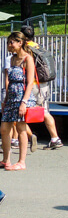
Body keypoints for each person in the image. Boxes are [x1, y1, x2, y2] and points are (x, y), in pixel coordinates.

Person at [20, 26, 63, 150]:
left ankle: (21, 138)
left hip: (32, 84)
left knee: (19, 111)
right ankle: (55, 138)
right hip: (43, 84)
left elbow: (26, 66)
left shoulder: (26, 49)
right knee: (44, 111)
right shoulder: (37, 46)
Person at [1, 31, 36, 171]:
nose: (9, 45)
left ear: (20, 43)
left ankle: (22, 161)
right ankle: (6, 160)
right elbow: (7, 81)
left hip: (22, 97)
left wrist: (24, 102)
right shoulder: (11, 59)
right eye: (9, 42)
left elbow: (30, 83)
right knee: (4, 129)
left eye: (12, 42)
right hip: (11, 98)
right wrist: (5, 99)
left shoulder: (28, 59)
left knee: (21, 128)